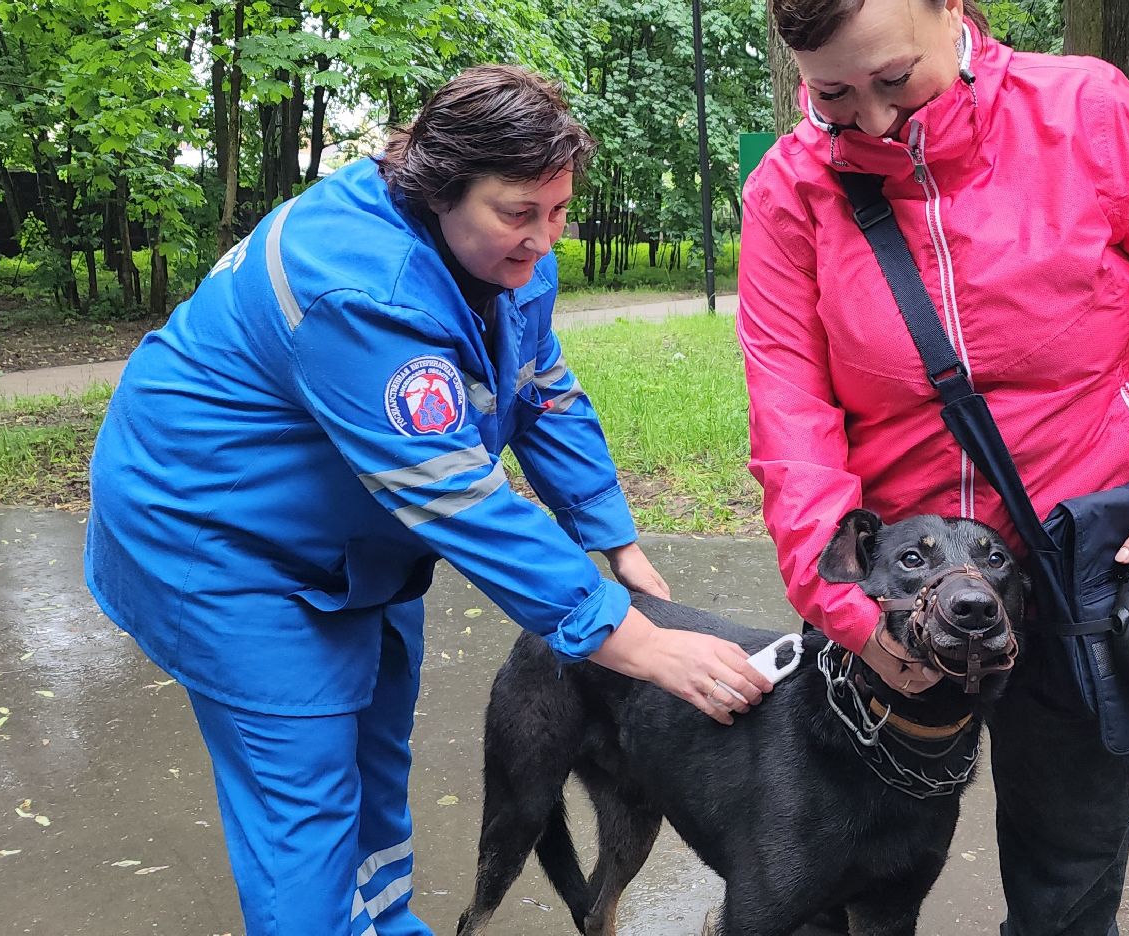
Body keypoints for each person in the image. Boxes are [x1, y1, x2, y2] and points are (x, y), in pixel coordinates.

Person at [84, 65, 771, 936]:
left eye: (558, 213)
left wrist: (616, 541)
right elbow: (455, 497)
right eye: (519, 214)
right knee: (301, 792)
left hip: (354, 528)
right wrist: (635, 642)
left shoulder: (501, 260)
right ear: (442, 190)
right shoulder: (362, 290)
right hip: (212, 533)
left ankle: (388, 920)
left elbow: (538, 384)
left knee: (375, 750)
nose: (542, 242)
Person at [739, 0, 1129, 936]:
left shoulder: (1090, 112)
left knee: (1068, 887)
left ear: (954, 4)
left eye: (894, 78)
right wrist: (854, 610)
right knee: (847, 885)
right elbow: (791, 425)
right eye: (832, 98)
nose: (873, 120)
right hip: (900, 596)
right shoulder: (788, 193)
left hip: (1084, 568)